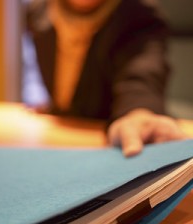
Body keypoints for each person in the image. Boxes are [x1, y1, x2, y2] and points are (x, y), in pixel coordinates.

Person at [23, 0, 186, 156]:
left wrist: (139, 113)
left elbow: (141, 75)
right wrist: (59, 108)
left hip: (106, 142)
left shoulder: (139, 15)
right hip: (61, 135)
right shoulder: (39, 11)